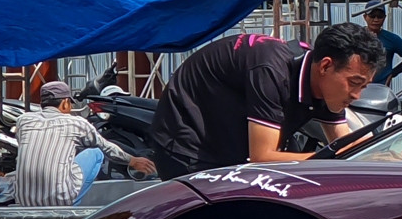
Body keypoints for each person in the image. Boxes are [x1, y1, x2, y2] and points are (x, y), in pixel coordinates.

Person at [149, 23, 384, 177]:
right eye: (354, 83)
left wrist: (384, 155)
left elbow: (347, 144)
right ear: (325, 66)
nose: (356, 95)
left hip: (231, 145)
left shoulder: (323, 80)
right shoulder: (272, 71)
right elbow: (262, 157)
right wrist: (333, 160)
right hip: (188, 146)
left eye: (363, 86)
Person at [13, 80, 155, 206]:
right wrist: (132, 161)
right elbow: (106, 147)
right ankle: (72, 204)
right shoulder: (77, 123)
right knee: (96, 152)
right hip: (60, 200)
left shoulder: (23, 120)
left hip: (25, 200)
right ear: (65, 103)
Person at [361, 0, 402, 84]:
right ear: (365, 17)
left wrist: (392, 73)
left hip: (381, 86)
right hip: (357, 86)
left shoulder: (392, 39)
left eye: (380, 16)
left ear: (384, 18)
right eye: (372, 16)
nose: (376, 20)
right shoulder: (356, 37)